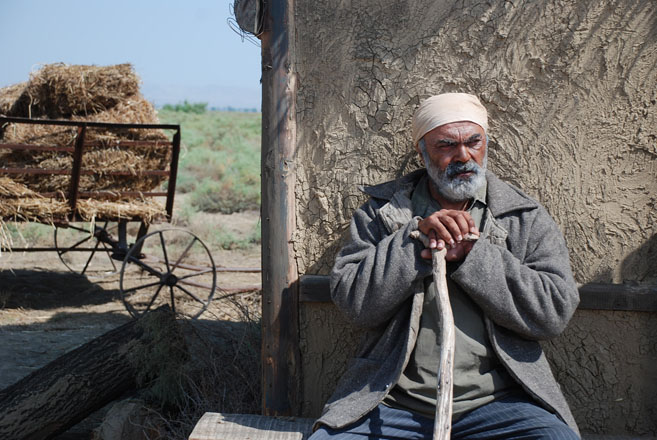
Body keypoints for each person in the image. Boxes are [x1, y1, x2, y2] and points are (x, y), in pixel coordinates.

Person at [310, 93, 580, 439]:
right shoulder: (381, 214)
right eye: (446, 145)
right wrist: (412, 241)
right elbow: (355, 305)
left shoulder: (522, 216)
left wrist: (473, 256)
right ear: (421, 153)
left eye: (473, 142)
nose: (463, 156)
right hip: (392, 404)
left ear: (486, 145)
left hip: (501, 404)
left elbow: (553, 312)